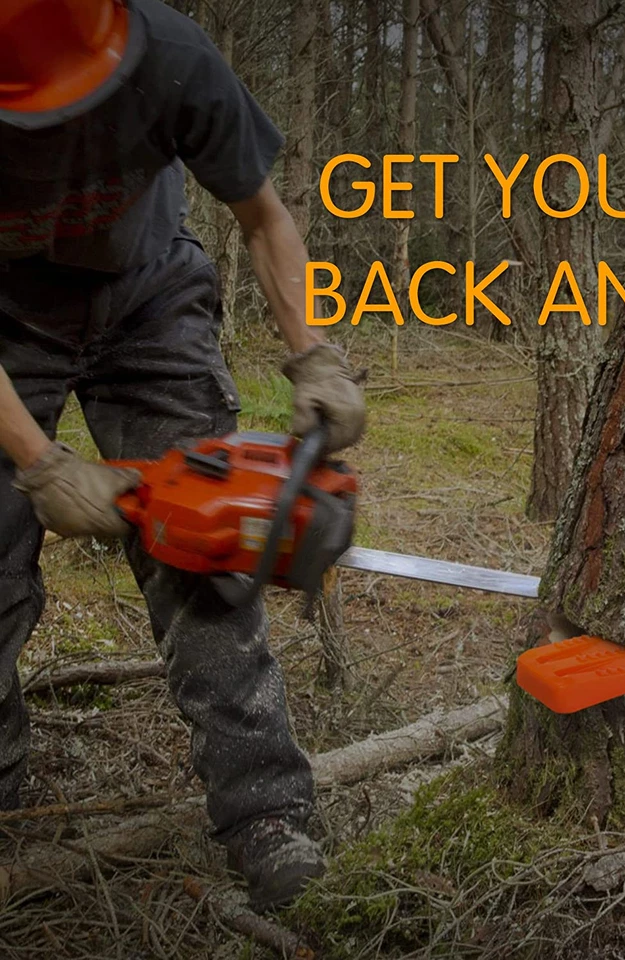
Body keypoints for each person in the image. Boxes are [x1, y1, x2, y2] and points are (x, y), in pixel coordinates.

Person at [0, 0, 365, 912]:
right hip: (7, 323)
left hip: (150, 299)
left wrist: (313, 353)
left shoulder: (172, 57)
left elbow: (263, 215)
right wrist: (40, 464)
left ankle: (267, 817)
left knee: (210, 547)